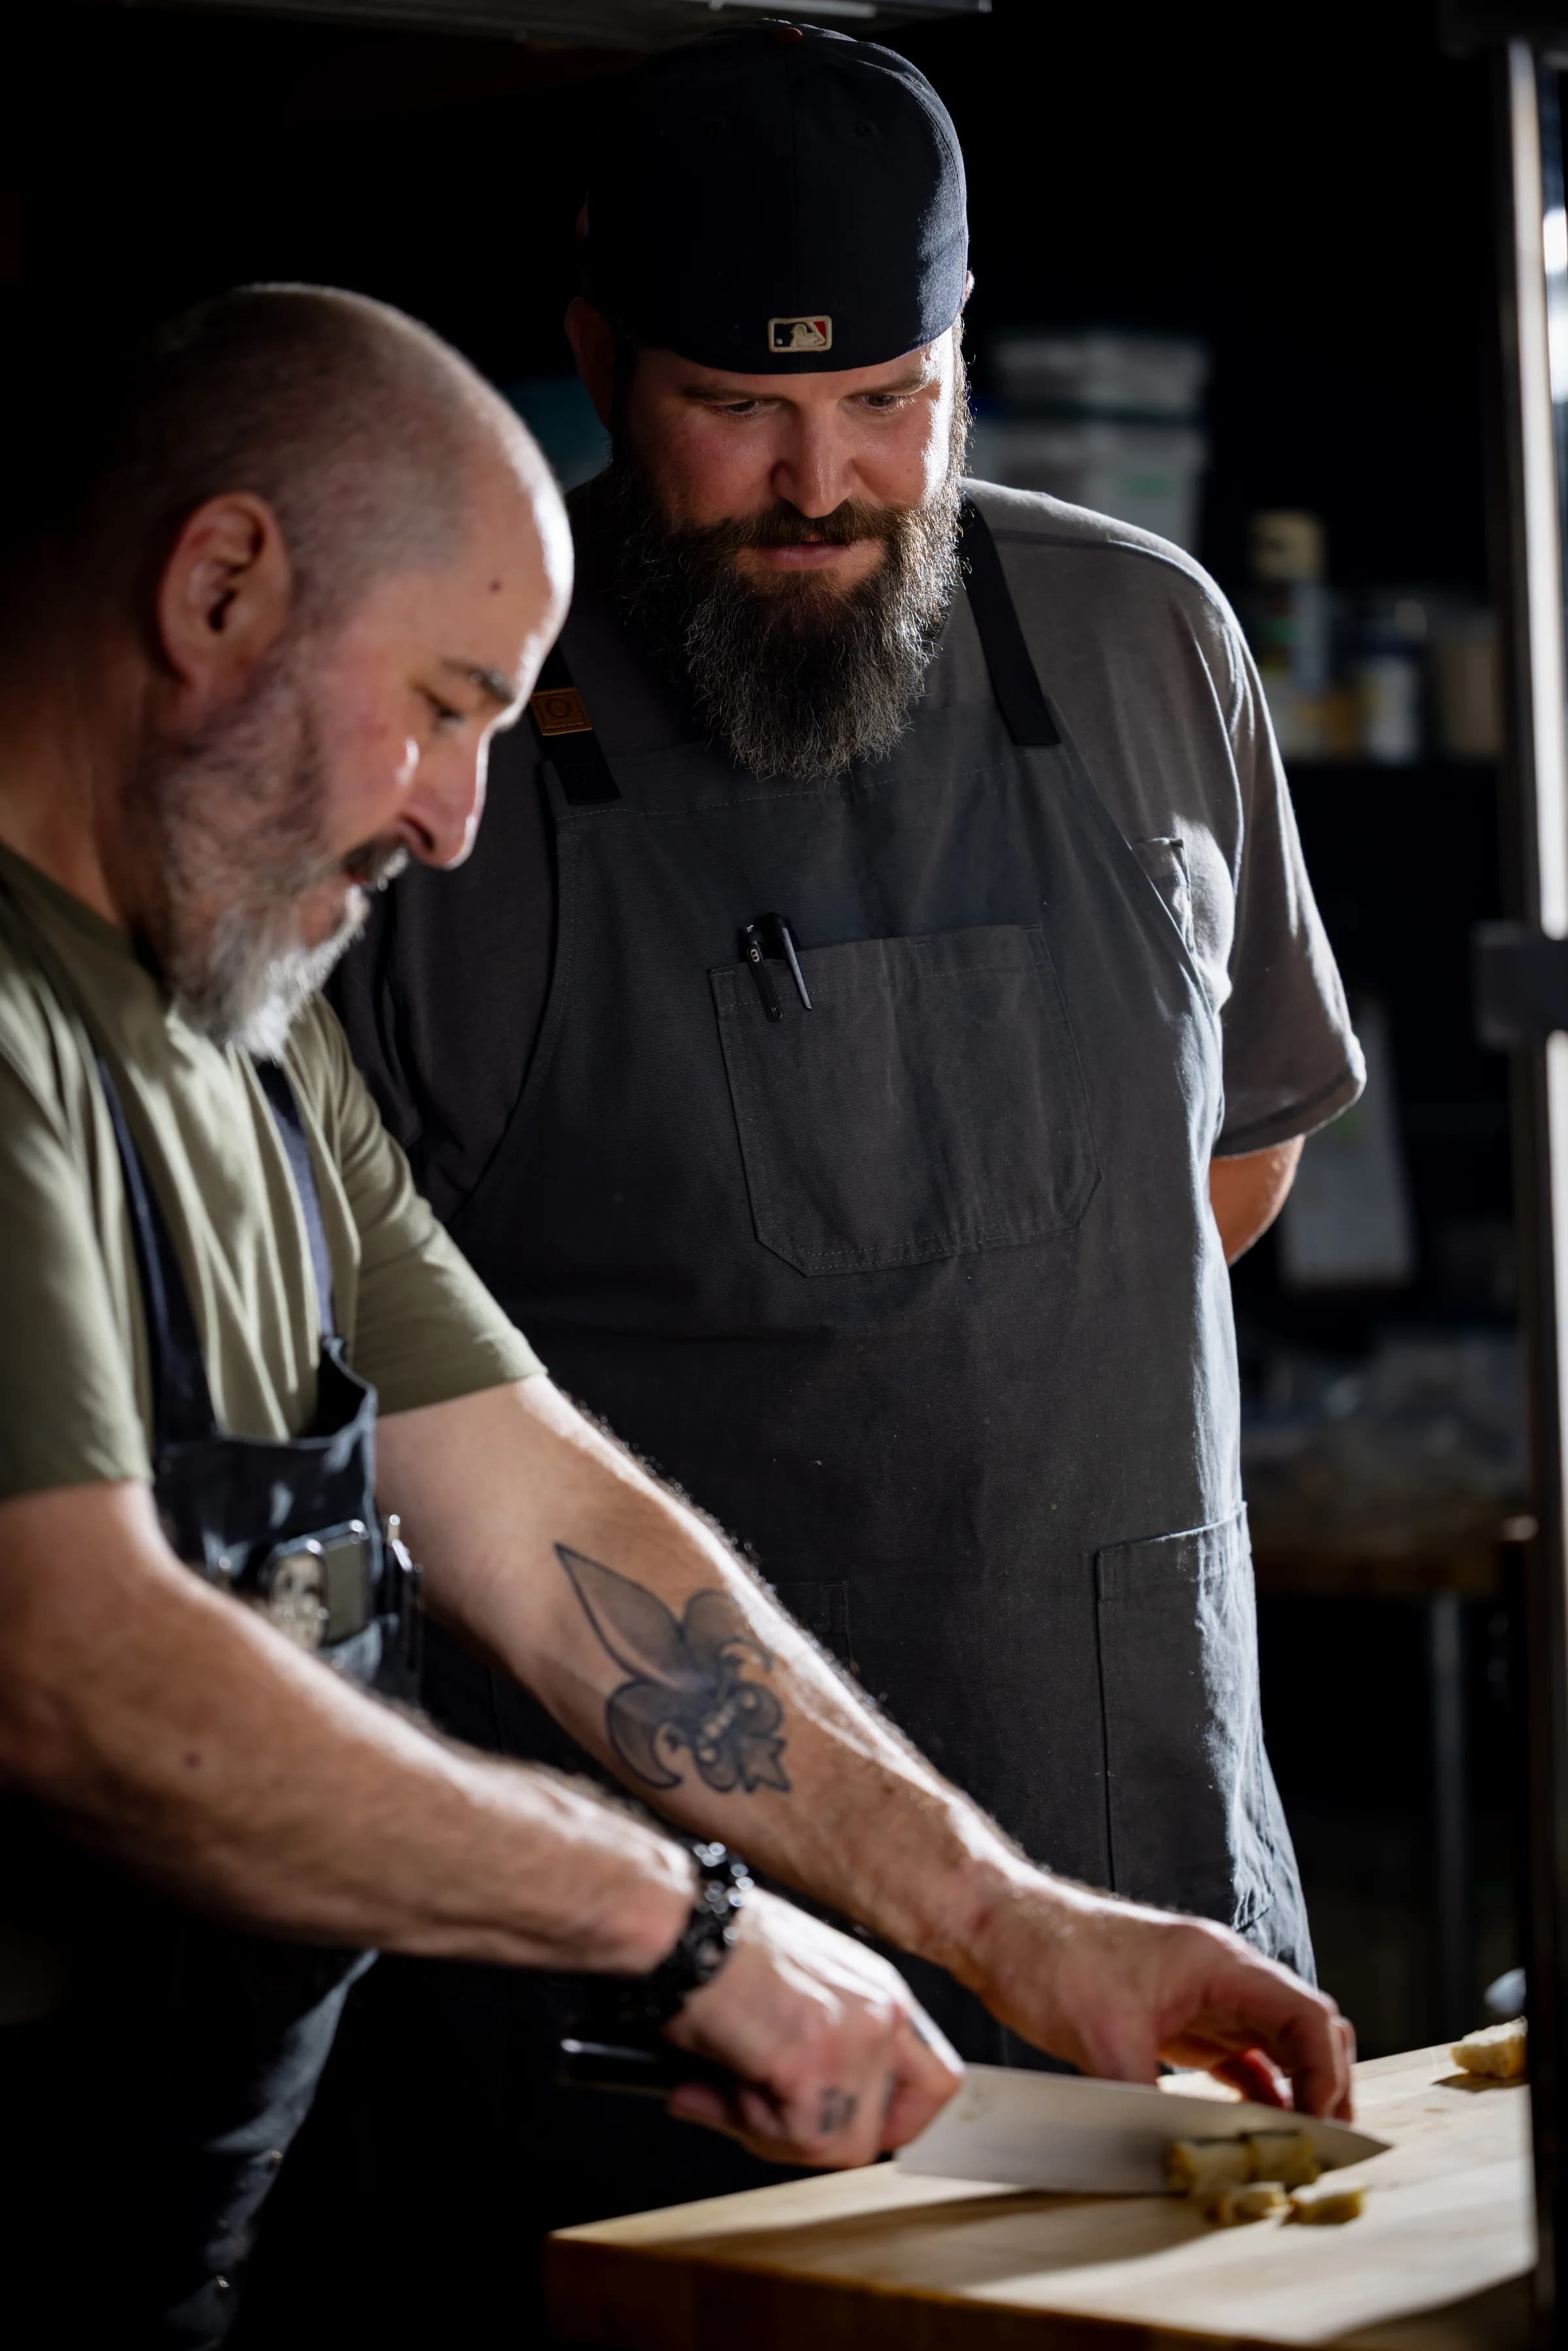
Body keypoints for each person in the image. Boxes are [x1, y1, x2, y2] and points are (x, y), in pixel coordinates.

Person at [0, 282, 1351, 2350]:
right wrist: (686, 1927)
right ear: (219, 591)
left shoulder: (244, 1042)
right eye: (444, 703)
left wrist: (1011, 1924)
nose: (454, 815)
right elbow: (71, 1666)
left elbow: (538, 1521)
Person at [321, 16, 1367, 2295]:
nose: (824, 484)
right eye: (739, 413)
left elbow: (1229, 1170)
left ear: (963, 353)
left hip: (1158, 1907)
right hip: (686, 2020)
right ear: (598, 363)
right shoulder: (454, 741)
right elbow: (378, 1415)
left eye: (888, 401)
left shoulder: (1147, 644)